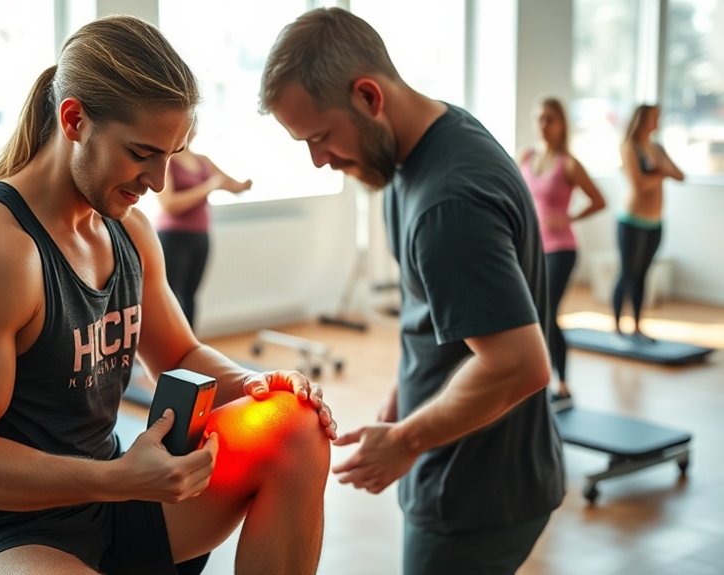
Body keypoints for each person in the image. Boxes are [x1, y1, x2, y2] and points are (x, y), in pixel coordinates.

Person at [0, 16, 335, 575]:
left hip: (113, 496)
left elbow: (178, 355)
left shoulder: (127, 230)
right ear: (74, 119)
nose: (158, 181)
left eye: (171, 155)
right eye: (142, 153)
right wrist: (115, 479)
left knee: (295, 426)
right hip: (5, 531)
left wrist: (258, 385)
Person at [260, 8, 563, 574]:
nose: (319, 160)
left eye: (321, 136)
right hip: (468, 465)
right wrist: (404, 395)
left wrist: (405, 440)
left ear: (369, 96)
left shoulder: (448, 205)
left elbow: (520, 365)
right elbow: (433, 314)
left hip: (475, 489)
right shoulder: (424, 149)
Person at [519, 97, 606, 411]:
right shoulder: (526, 158)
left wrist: (569, 218)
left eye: (550, 119)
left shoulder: (568, 163)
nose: (544, 125)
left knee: (547, 313)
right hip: (532, 248)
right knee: (532, 315)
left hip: (562, 249)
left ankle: (562, 386)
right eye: (539, 118)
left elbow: (599, 200)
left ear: (561, 124)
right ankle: (534, 383)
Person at [154, 123, 252, 328]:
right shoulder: (167, 161)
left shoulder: (203, 161)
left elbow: (230, 184)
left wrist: (245, 183)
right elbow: (169, 204)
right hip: (173, 237)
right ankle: (170, 350)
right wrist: (208, 187)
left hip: (200, 236)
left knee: (190, 296)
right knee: (172, 297)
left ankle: (189, 350)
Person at [614, 104, 685, 342]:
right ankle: (616, 326)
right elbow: (639, 184)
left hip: (654, 222)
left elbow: (680, 175)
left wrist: (660, 170)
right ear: (642, 119)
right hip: (631, 221)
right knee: (627, 273)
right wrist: (661, 172)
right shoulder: (629, 147)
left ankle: (636, 325)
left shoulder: (657, 148)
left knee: (642, 274)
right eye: (653, 117)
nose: (657, 121)